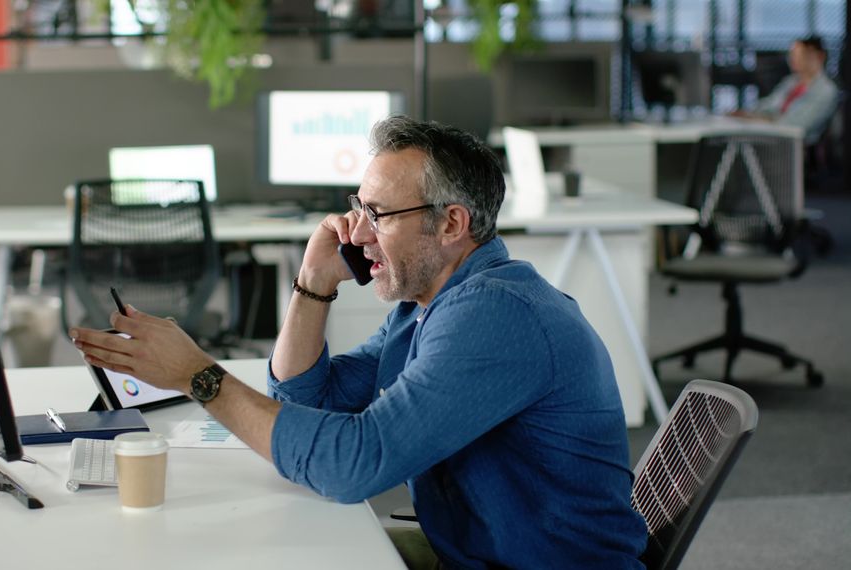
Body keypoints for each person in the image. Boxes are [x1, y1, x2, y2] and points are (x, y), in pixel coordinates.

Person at [71, 117, 649, 568]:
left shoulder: (497, 315)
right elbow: (306, 399)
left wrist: (201, 376)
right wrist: (315, 282)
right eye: (359, 208)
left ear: (451, 224)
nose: (358, 232)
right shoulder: (427, 304)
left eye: (379, 214)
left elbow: (355, 463)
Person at [732, 35, 839, 145]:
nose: (793, 59)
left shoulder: (826, 90)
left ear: (818, 56)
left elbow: (797, 125)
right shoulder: (791, 81)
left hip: (796, 148)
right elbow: (770, 104)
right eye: (792, 55)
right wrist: (748, 114)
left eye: (800, 55)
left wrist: (762, 121)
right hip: (773, 138)